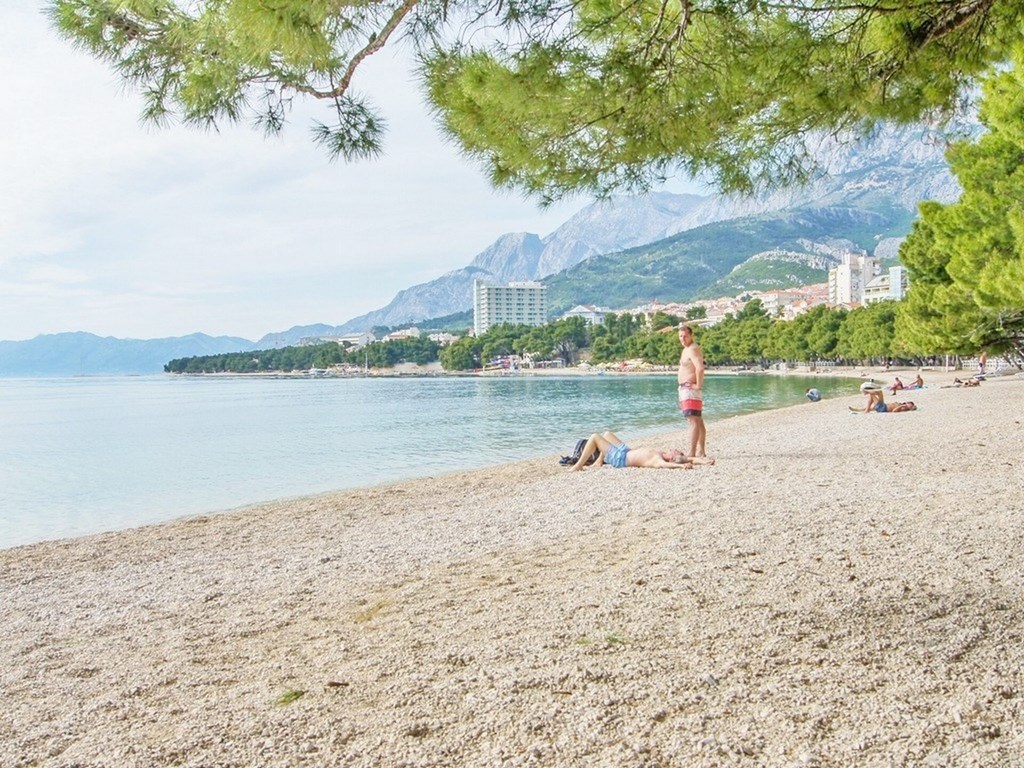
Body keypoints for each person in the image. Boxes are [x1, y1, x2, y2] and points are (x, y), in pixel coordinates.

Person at [569, 431, 702, 471]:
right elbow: (690, 458)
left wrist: (680, 466)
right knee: (607, 434)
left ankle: (579, 465)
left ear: (673, 458)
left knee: (594, 437)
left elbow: (665, 465)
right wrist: (701, 461)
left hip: (621, 459)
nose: (676, 449)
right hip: (626, 451)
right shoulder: (661, 453)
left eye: (677, 452)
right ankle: (599, 461)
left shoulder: (658, 460)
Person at [677, 323, 707, 459]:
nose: (683, 339)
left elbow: (699, 368)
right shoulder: (686, 349)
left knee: (693, 420)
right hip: (686, 389)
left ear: (691, 336)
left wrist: (698, 385)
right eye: (680, 336)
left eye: (685, 336)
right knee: (698, 420)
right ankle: (701, 451)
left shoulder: (692, 349)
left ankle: (692, 452)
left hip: (690, 389)